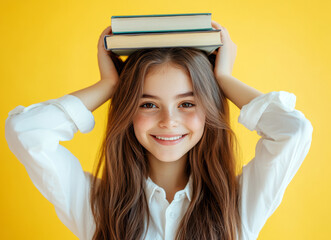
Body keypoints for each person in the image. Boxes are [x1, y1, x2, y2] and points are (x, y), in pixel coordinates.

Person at [5, 20, 313, 240]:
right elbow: (26, 130)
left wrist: (224, 80)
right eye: (148, 105)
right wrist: (109, 85)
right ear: (127, 111)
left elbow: (293, 132)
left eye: (187, 104)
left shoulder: (240, 205)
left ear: (208, 107)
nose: (168, 121)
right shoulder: (96, 205)